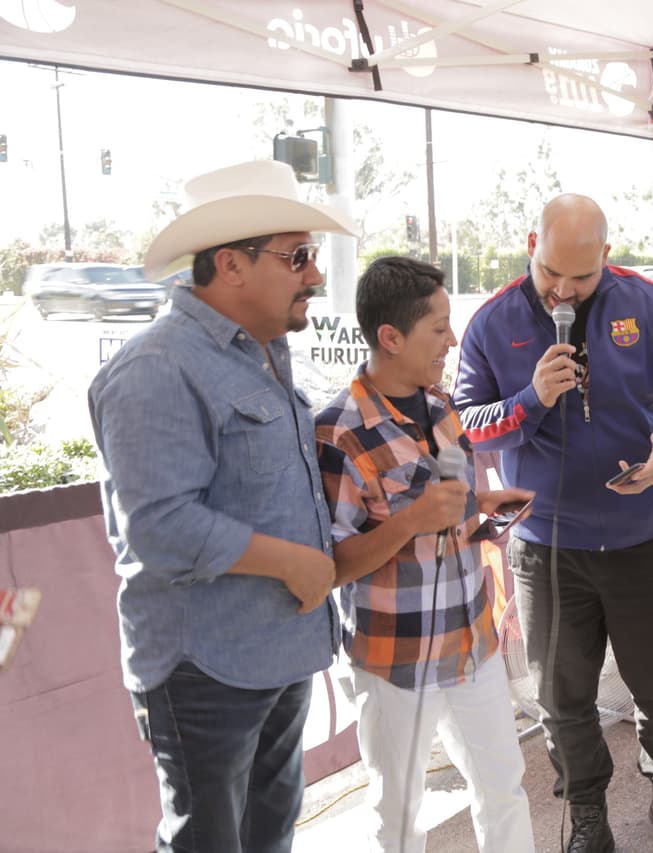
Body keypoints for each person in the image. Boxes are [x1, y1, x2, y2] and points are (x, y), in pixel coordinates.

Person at [87, 160, 355, 853]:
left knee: (268, 837)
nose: (315, 275)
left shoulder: (261, 354)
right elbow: (160, 526)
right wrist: (294, 561)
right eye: (298, 256)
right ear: (231, 265)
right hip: (206, 671)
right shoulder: (157, 368)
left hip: (278, 654)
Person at [452, 194, 653, 853]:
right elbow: (467, 424)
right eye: (550, 274)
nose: (564, 291)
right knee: (561, 697)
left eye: (581, 276)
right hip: (547, 549)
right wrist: (531, 399)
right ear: (529, 243)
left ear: (606, 254)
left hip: (644, 539)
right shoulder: (492, 322)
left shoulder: (648, 304)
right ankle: (589, 816)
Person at [314, 257, 536, 852]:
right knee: (400, 813)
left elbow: (449, 504)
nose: (452, 339)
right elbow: (335, 565)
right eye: (438, 327)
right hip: (396, 658)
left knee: (504, 788)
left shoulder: (440, 404)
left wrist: (484, 502)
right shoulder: (338, 432)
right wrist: (413, 520)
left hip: (473, 643)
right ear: (391, 337)